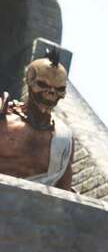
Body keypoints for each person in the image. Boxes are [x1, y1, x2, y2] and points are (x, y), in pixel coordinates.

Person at [0, 51, 75, 191]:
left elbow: (63, 194)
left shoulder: (63, 139)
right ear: (30, 80)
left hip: (30, 204)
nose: (51, 93)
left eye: (59, 89)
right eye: (42, 84)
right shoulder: (4, 117)